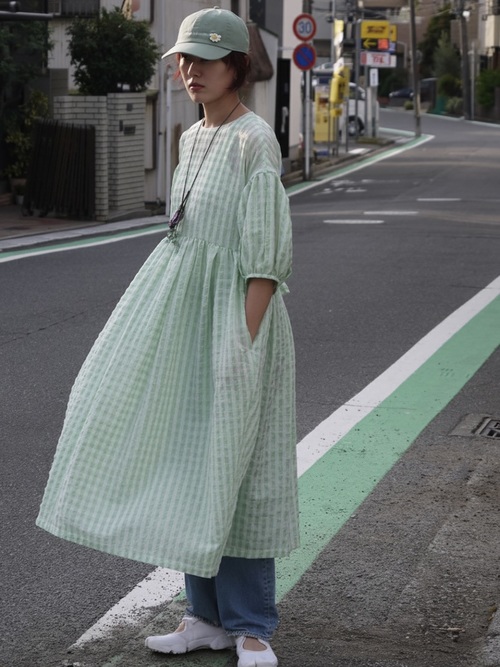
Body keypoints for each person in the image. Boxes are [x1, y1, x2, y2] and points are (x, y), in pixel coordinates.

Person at [36, 7, 299, 667]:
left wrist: (244, 343)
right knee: (190, 465)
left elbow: (265, 257)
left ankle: (251, 626)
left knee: (238, 471)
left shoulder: (254, 142)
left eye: (204, 60)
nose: (190, 71)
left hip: (235, 325)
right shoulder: (191, 138)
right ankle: (203, 617)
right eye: (184, 59)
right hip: (184, 323)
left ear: (236, 65)